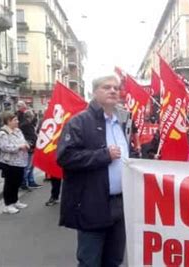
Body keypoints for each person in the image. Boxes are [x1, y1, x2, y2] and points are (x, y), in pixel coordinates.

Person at [57, 74, 129, 267]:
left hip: (120, 204)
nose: (113, 90)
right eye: (107, 87)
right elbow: (65, 157)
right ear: (94, 92)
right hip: (92, 203)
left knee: (114, 260)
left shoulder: (122, 121)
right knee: (90, 261)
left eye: (116, 87)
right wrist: (103, 155)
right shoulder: (79, 122)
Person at [0, 112, 30, 214]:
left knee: (17, 182)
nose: (17, 122)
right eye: (15, 120)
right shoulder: (3, 133)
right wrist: (19, 147)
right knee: (9, 184)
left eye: (17, 120)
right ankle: (8, 205)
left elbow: (23, 141)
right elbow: (4, 147)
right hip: (9, 163)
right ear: (8, 121)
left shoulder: (18, 131)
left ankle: (15, 201)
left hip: (20, 161)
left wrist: (26, 144)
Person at [19, 110, 42, 189]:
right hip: (30, 148)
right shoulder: (27, 125)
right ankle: (25, 182)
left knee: (31, 166)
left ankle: (30, 181)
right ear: (30, 117)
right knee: (28, 166)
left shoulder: (26, 124)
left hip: (30, 147)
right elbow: (31, 136)